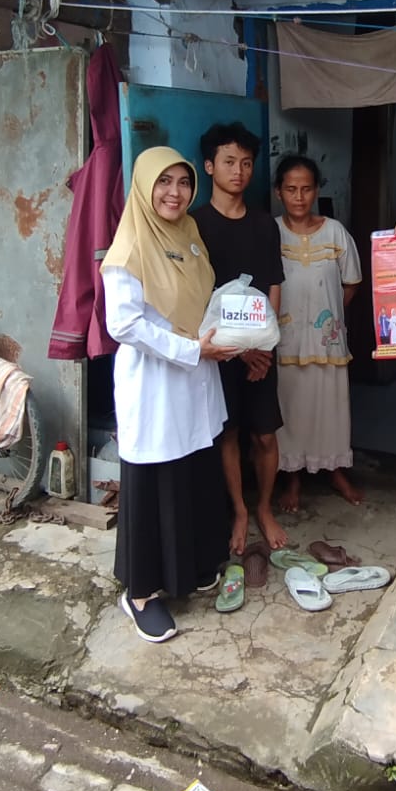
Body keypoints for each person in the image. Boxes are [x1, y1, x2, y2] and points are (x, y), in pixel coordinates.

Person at [101, 147, 233, 643]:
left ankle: (191, 565)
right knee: (155, 478)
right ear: (143, 187)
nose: (174, 193)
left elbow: (205, 299)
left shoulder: (189, 235)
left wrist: (226, 334)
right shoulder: (129, 248)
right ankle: (140, 593)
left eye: (182, 183)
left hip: (196, 374)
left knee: (193, 469)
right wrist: (189, 349)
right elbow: (124, 324)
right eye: (163, 183)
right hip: (156, 380)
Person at [194, 122, 287, 555]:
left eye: (247, 163)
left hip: (262, 353)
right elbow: (193, 296)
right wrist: (235, 350)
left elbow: (273, 287)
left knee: (265, 435)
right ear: (210, 166)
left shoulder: (265, 225)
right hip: (214, 352)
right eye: (229, 162)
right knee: (227, 433)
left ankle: (264, 507)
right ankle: (240, 510)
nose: (239, 171)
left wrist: (262, 348)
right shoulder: (193, 225)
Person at [274, 156, 363, 512]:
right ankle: (292, 478)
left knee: (332, 410)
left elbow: (351, 284)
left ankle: (335, 470)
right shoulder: (271, 232)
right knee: (290, 411)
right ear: (279, 192)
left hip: (328, 343)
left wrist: (326, 318)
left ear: (316, 190)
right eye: (291, 189)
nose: (299, 196)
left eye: (306, 188)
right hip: (286, 343)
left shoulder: (335, 232)